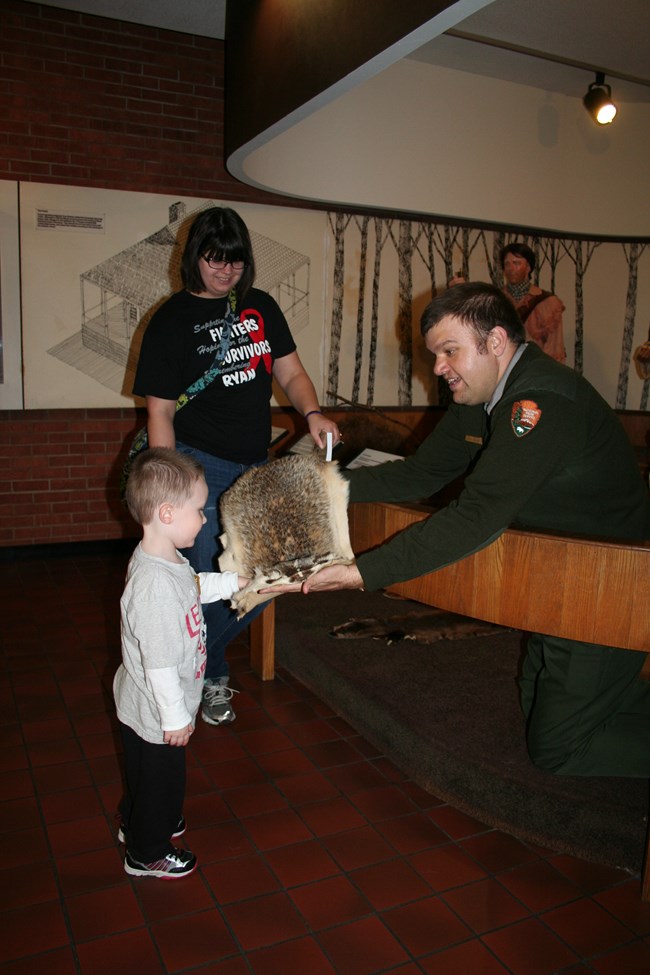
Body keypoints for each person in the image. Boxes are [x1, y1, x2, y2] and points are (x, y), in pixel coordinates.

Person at [270, 282, 650, 778]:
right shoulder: (481, 394)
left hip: (612, 584)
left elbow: (477, 516)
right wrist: (322, 489)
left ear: (495, 342)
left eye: (450, 351)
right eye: (435, 355)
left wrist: (361, 572)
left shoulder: (539, 403)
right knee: (538, 694)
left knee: (559, 747)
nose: (439, 368)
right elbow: (422, 473)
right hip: (562, 575)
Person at [133, 206, 340, 726]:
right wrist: (172, 482)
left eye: (235, 261)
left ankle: (191, 666)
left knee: (272, 576)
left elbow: (291, 374)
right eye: (214, 260)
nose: (226, 271)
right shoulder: (170, 319)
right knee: (201, 582)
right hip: (199, 468)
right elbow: (159, 409)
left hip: (255, 468)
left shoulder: (260, 307)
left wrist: (311, 411)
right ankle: (212, 676)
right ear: (193, 258)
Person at [114, 448, 248, 879]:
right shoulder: (152, 588)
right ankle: (146, 851)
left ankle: (137, 819)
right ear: (167, 513)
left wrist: (233, 583)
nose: (206, 519)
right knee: (161, 779)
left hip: (146, 705)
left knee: (144, 775)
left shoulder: (165, 559)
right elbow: (158, 665)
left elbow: (192, 586)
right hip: (157, 709)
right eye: (199, 510)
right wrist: (175, 718)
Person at [500, 242, 566, 363]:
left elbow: (555, 348)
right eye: (507, 264)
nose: (511, 268)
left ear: (528, 267)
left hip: (535, 370)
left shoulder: (548, 303)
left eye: (516, 263)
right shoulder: (495, 301)